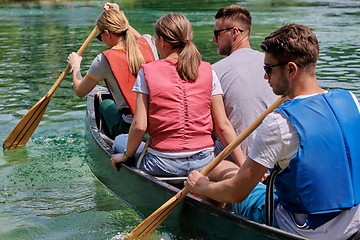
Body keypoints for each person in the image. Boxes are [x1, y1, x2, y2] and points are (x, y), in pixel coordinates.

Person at [185, 24, 360, 240]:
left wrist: (202, 186)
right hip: (353, 224)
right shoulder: (351, 100)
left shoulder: (279, 121)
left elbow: (237, 193)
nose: (265, 77)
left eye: (268, 69)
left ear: (291, 70)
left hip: (301, 229)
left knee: (219, 167)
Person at [109, 13, 245, 177]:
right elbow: (223, 126)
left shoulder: (147, 72)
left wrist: (125, 156)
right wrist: (243, 165)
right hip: (204, 162)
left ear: (163, 42)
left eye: (155, 39)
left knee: (120, 140)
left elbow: (139, 126)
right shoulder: (208, 71)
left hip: (162, 163)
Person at [67, 3, 158, 139]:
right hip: (157, 120)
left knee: (105, 103)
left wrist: (75, 66)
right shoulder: (149, 42)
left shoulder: (103, 60)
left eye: (100, 37)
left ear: (107, 34)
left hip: (130, 128)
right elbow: (131, 34)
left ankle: (114, 138)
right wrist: (118, 13)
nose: (101, 40)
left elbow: (80, 91)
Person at [211, 5, 277, 161]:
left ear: (234, 32)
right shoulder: (275, 66)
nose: (214, 39)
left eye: (217, 33)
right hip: (273, 155)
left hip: (237, 160)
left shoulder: (214, 71)